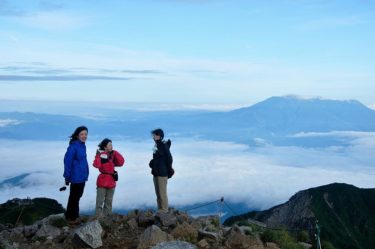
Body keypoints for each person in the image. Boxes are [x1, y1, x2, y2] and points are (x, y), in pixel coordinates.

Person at [63, 126, 89, 224]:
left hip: (82, 176)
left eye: (85, 134)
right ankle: (71, 217)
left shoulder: (83, 145)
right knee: (74, 196)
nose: (84, 136)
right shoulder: (73, 147)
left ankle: (74, 215)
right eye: (82, 134)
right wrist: (67, 176)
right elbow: (67, 162)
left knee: (77, 196)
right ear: (77, 135)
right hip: (75, 176)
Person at [93, 138, 125, 217]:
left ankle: (107, 220)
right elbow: (96, 165)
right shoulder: (100, 155)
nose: (111, 146)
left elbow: (121, 162)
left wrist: (115, 152)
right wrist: (98, 155)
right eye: (110, 145)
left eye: (111, 145)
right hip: (103, 180)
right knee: (99, 202)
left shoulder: (112, 155)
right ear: (105, 147)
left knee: (108, 202)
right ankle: (97, 219)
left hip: (111, 181)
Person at [149, 128, 174, 213]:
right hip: (156, 172)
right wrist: (153, 163)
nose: (153, 137)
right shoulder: (157, 145)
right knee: (158, 193)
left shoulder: (163, 145)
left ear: (159, 136)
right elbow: (159, 158)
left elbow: (169, 158)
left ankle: (164, 210)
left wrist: (168, 169)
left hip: (162, 173)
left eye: (154, 135)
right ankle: (160, 209)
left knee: (162, 193)